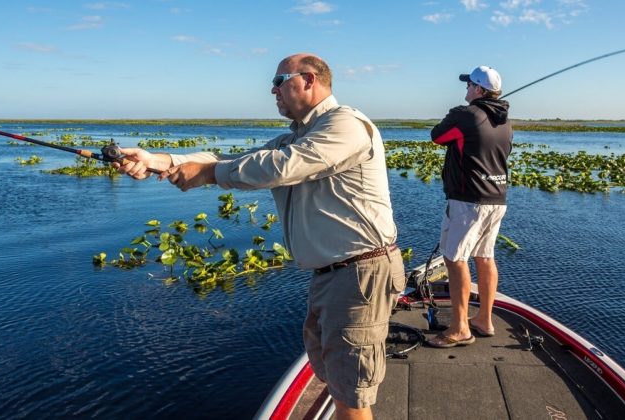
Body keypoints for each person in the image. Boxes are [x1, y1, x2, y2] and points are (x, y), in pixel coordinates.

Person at [113, 53, 405, 420]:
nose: (272, 89)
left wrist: (208, 174)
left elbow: (282, 166)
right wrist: (163, 160)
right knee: (336, 382)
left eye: (279, 80)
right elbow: (230, 157)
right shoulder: (296, 136)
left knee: (351, 395)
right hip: (333, 276)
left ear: (309, 79)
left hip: (359, 274)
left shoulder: (345, 124)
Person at [425, 65, 513, 348]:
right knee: (485, 257)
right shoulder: (506, 122)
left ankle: (460, 327)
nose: (465, 90)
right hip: (496, 199)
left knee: (454, 258)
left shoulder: (465, 115)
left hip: (467, 200)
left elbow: (437, 136)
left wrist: (455, 113)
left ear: (478, 89)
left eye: (468, 86)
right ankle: (484, 320)